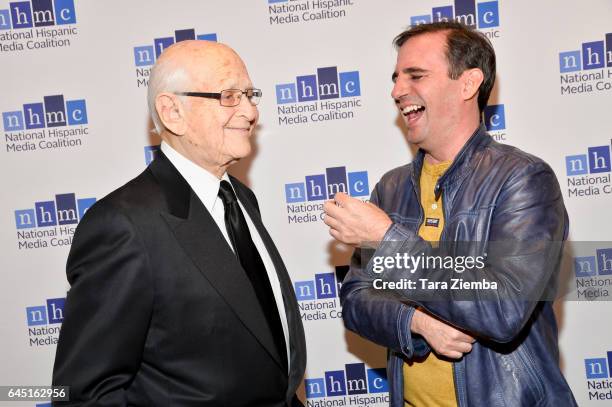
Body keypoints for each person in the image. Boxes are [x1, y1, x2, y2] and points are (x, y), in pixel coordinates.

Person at [323, 22, 577, 406]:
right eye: (395, 78)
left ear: (468, 83)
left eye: (416, 75)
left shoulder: (523, 178)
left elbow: (502, 308)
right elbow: (357, 300)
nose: (396, 91)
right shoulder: (391, 188)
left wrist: (388, 239)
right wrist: (418, 324)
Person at [52, 40, 306, 406]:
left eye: (251, 94)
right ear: (172, 112)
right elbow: (86, 393)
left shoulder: (240, 198)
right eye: (230, 95)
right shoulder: (122, 226)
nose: (251, 111)